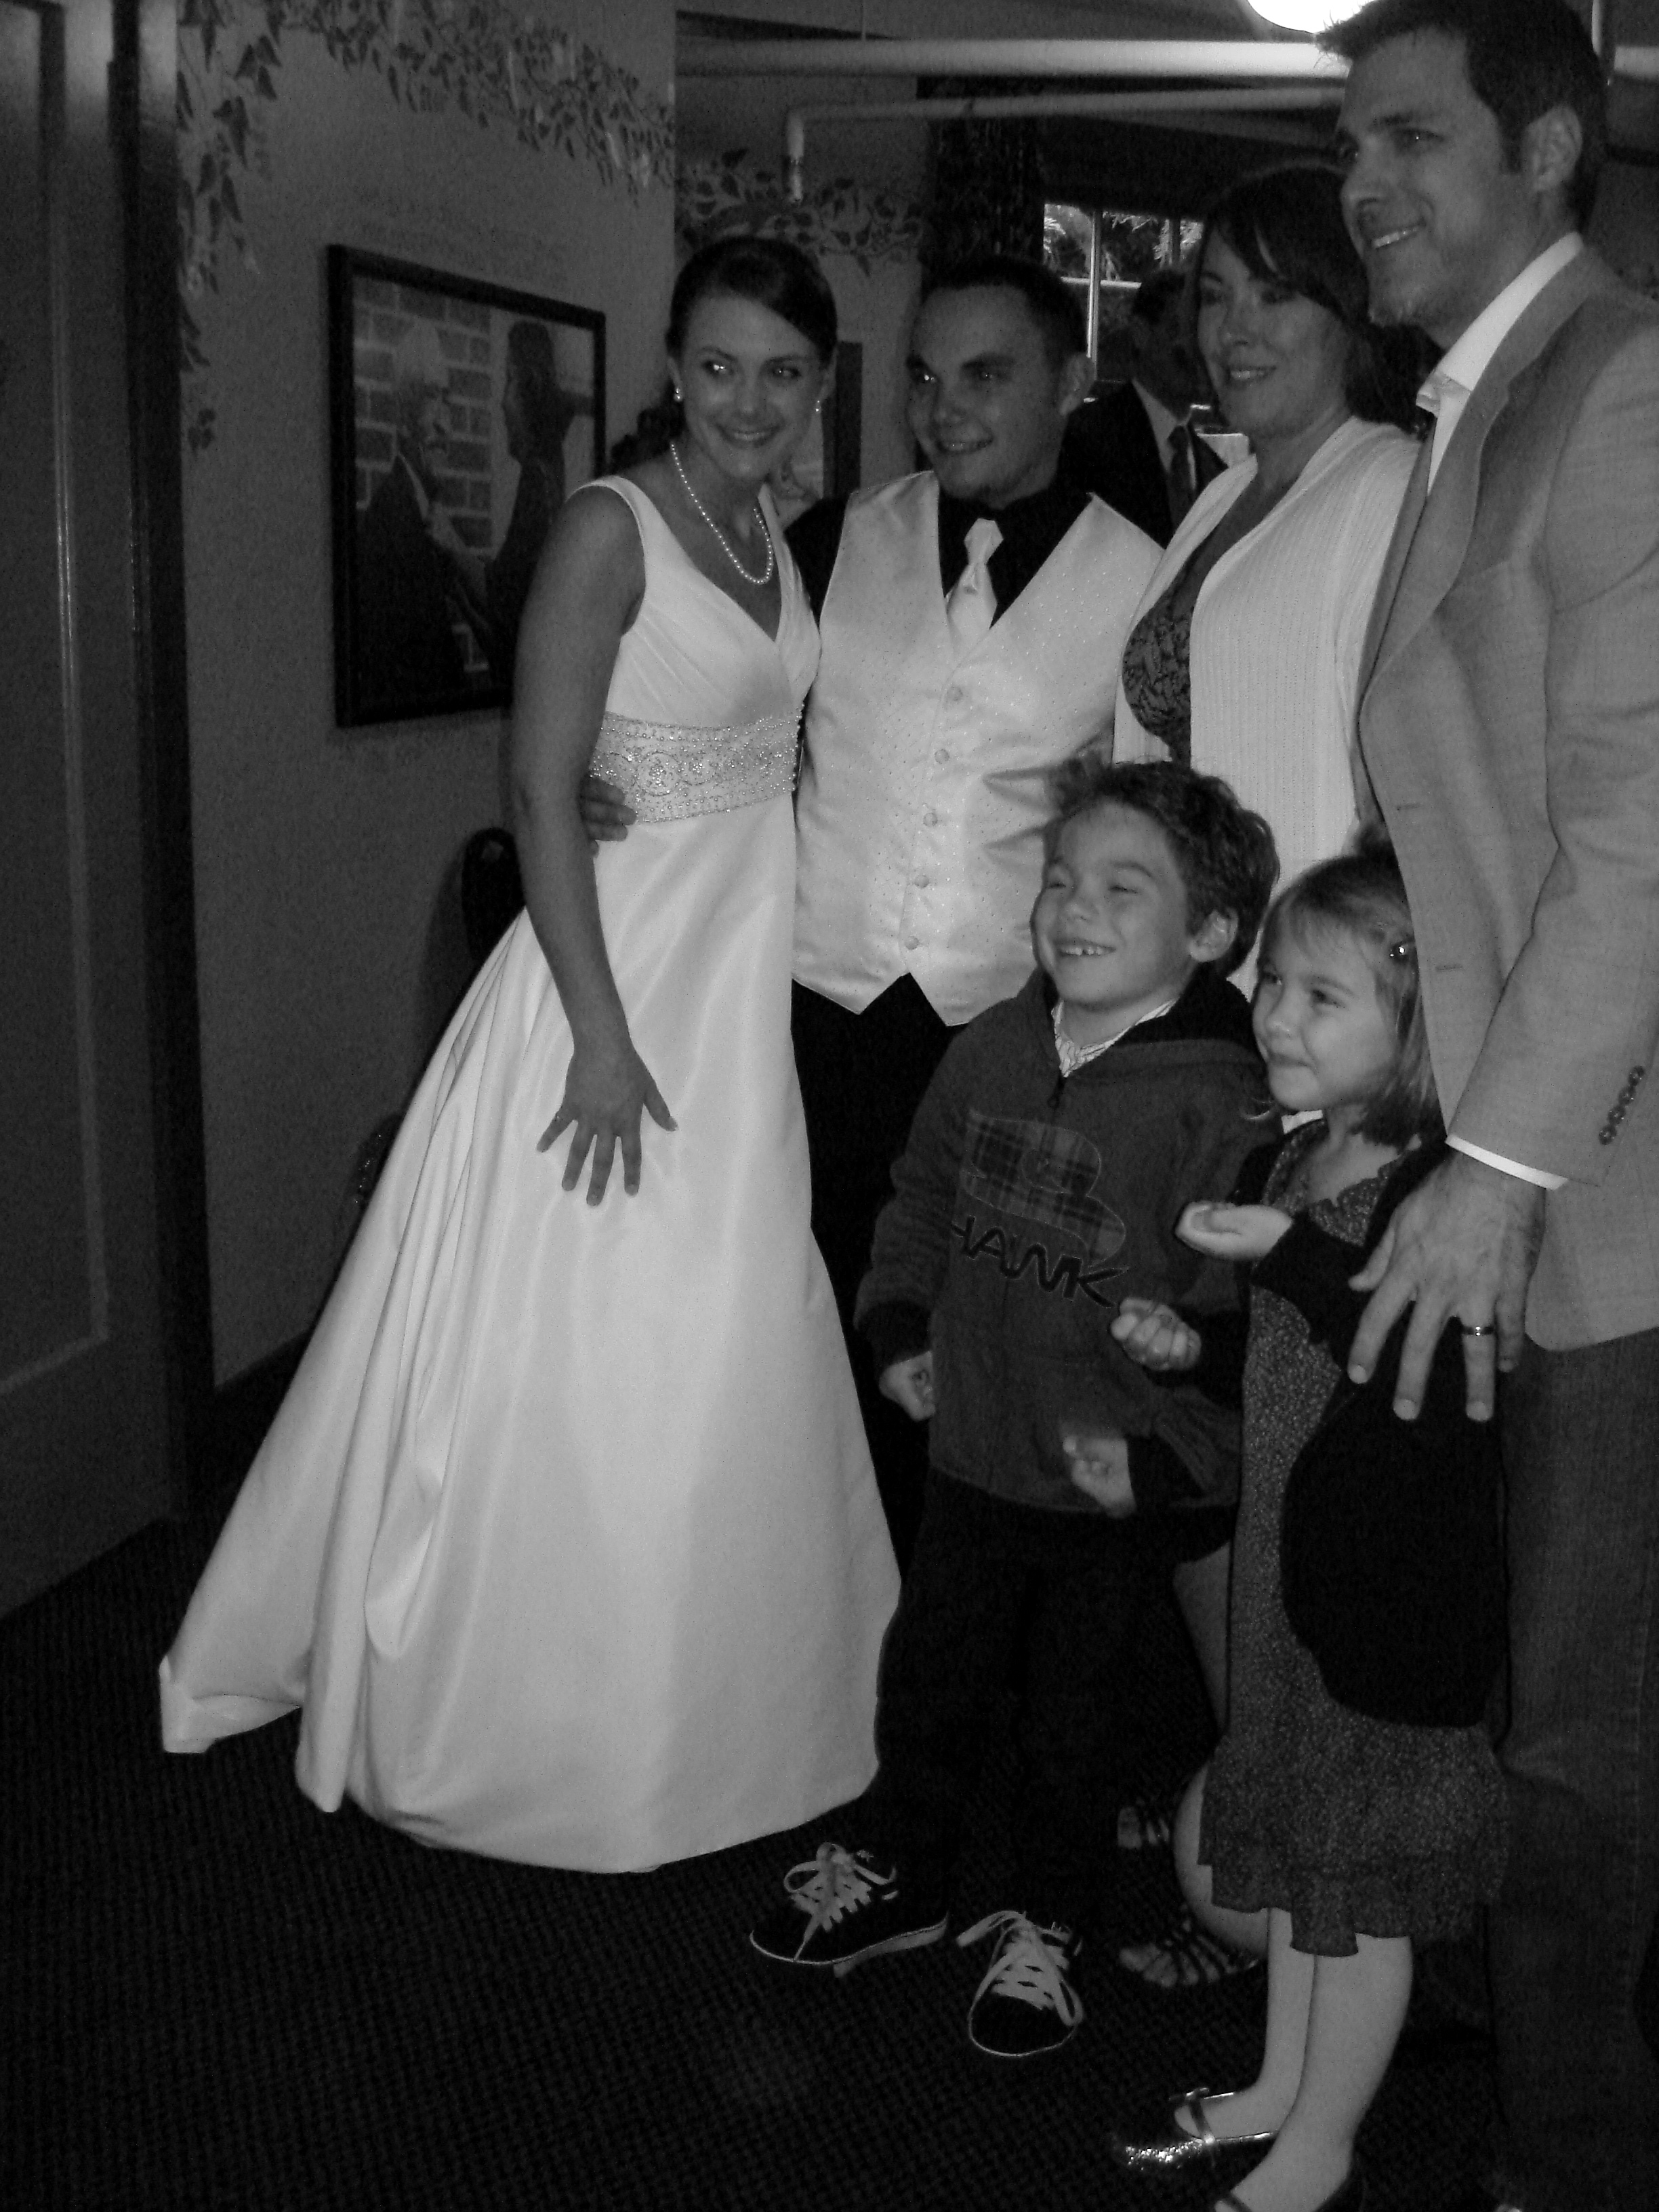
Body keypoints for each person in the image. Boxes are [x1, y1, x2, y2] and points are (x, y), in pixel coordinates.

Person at [159, 237, 899, 1871]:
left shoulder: (771, 531)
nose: (750, 401)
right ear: (673, 365)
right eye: (720, 367)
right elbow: (538, 790)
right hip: (610, 987)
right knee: (596, 1325)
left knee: (727, 1317)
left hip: (733, 981)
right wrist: (601, 1039)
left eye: (783, 374)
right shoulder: (607, 527)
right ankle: (546, 1710)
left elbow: (759, 748)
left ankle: (722, 1689)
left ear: (818, 387)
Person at [586, 256, 1162, 1570]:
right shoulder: (833, 538)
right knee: (800, 1326)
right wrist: (592, 776)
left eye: (986, 376)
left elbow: (1140, 831)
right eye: (923, 377)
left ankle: (944, 1616)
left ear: (1071, 382)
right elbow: (717, 709)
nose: (944, 409)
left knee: (975, 1352)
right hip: (809, 1015)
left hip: (998, 1031)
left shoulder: (1140, 578)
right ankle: (810, 1596)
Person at [1322, 6, 1659, 2208]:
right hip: (1526, 1148)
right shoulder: (1480, 403)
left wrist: (1498, 1157)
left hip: (1614, 1186)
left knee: (1585, 1737)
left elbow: (1641, 829)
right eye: (1346, 143)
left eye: (1406, 137)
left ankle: (1581, 2159)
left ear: (1543, 143)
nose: (1362, 182)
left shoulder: (1622, 384)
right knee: (1538, 1696)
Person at [748, 759, 1279, 2063]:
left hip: (1107, 1477)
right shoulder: (987, 1044)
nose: (1072, 908)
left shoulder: (1225, 1098)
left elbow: (1251, 1308)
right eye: (1057, 880)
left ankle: (1050, 1920)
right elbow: (920, 1199)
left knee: (1071, 1724)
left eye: (1120, 887)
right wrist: (897, 1329)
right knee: (929, 1676)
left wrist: (1185, 1369)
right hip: (976, 1450)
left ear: (1209, 930)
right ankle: (903, 1866)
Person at [1107, 852, 1507, 2212]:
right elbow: (1287, 1357)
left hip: (1382, 1599)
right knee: (1294, 1862)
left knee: (1357, 1892)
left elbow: (1412, 1370)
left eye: (1320, 995)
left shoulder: (1432, 1197)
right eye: (1271, 979)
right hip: (1287, 1576)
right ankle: (1279, 2088)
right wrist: (1192, 1350)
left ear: (1419, 1019)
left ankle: (1323, 2146)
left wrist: (1279, 1249)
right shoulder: (1290, 1155)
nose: (1273, 1013)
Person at [1114, 165, 1423, 943]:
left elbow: (1410, 796)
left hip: (1307, 957)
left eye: (1275, 296)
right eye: (1216, 296)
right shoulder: (1223, 495)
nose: (1233, 331)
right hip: (1185, 952)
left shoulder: (1389, 491)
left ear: (1354, 312)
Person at [435, 319, 580, 691]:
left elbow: (501, 599)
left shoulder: (538, 478)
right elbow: (509, 638)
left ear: (529, 388)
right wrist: (462, 597)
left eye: (510, 381)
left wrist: (450, 541)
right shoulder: (548, 471)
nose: (502, 402)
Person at [1061, 268, 1226, 546]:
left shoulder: (1217, 473)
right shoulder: (1082, 441)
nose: (1197, 348)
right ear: (1141, 333)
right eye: (1180, 329)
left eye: (1204, 332)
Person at [355, 322, 472, 712]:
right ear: (403, 416)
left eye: (447, 401)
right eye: (429, 399)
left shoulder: (425, 515)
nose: (445, 424)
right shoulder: (388, 524)